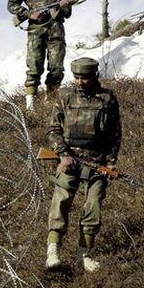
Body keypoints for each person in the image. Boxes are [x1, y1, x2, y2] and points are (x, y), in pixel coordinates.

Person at [45, 57, 122, 272]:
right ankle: (53, 251)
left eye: (85, 78)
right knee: (60, 202)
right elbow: (53, 130)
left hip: (97, 163)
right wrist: (63, 155)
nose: (80, 82)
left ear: (95, 75)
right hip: (70, 160)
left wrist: (110, 163)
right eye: (76, 77)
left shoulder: (108, 99)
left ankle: (84, 254)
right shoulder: (65, 97)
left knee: (93, 207)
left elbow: (115, 136)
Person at [7, 0, 74, 110]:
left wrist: (65, 6)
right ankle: (31, 106)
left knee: (56, 68)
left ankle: (50, 103)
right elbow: (11, 4)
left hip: (56, 30)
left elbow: (68, 12)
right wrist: (29, 14)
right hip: (36, 31)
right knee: (34, 67)